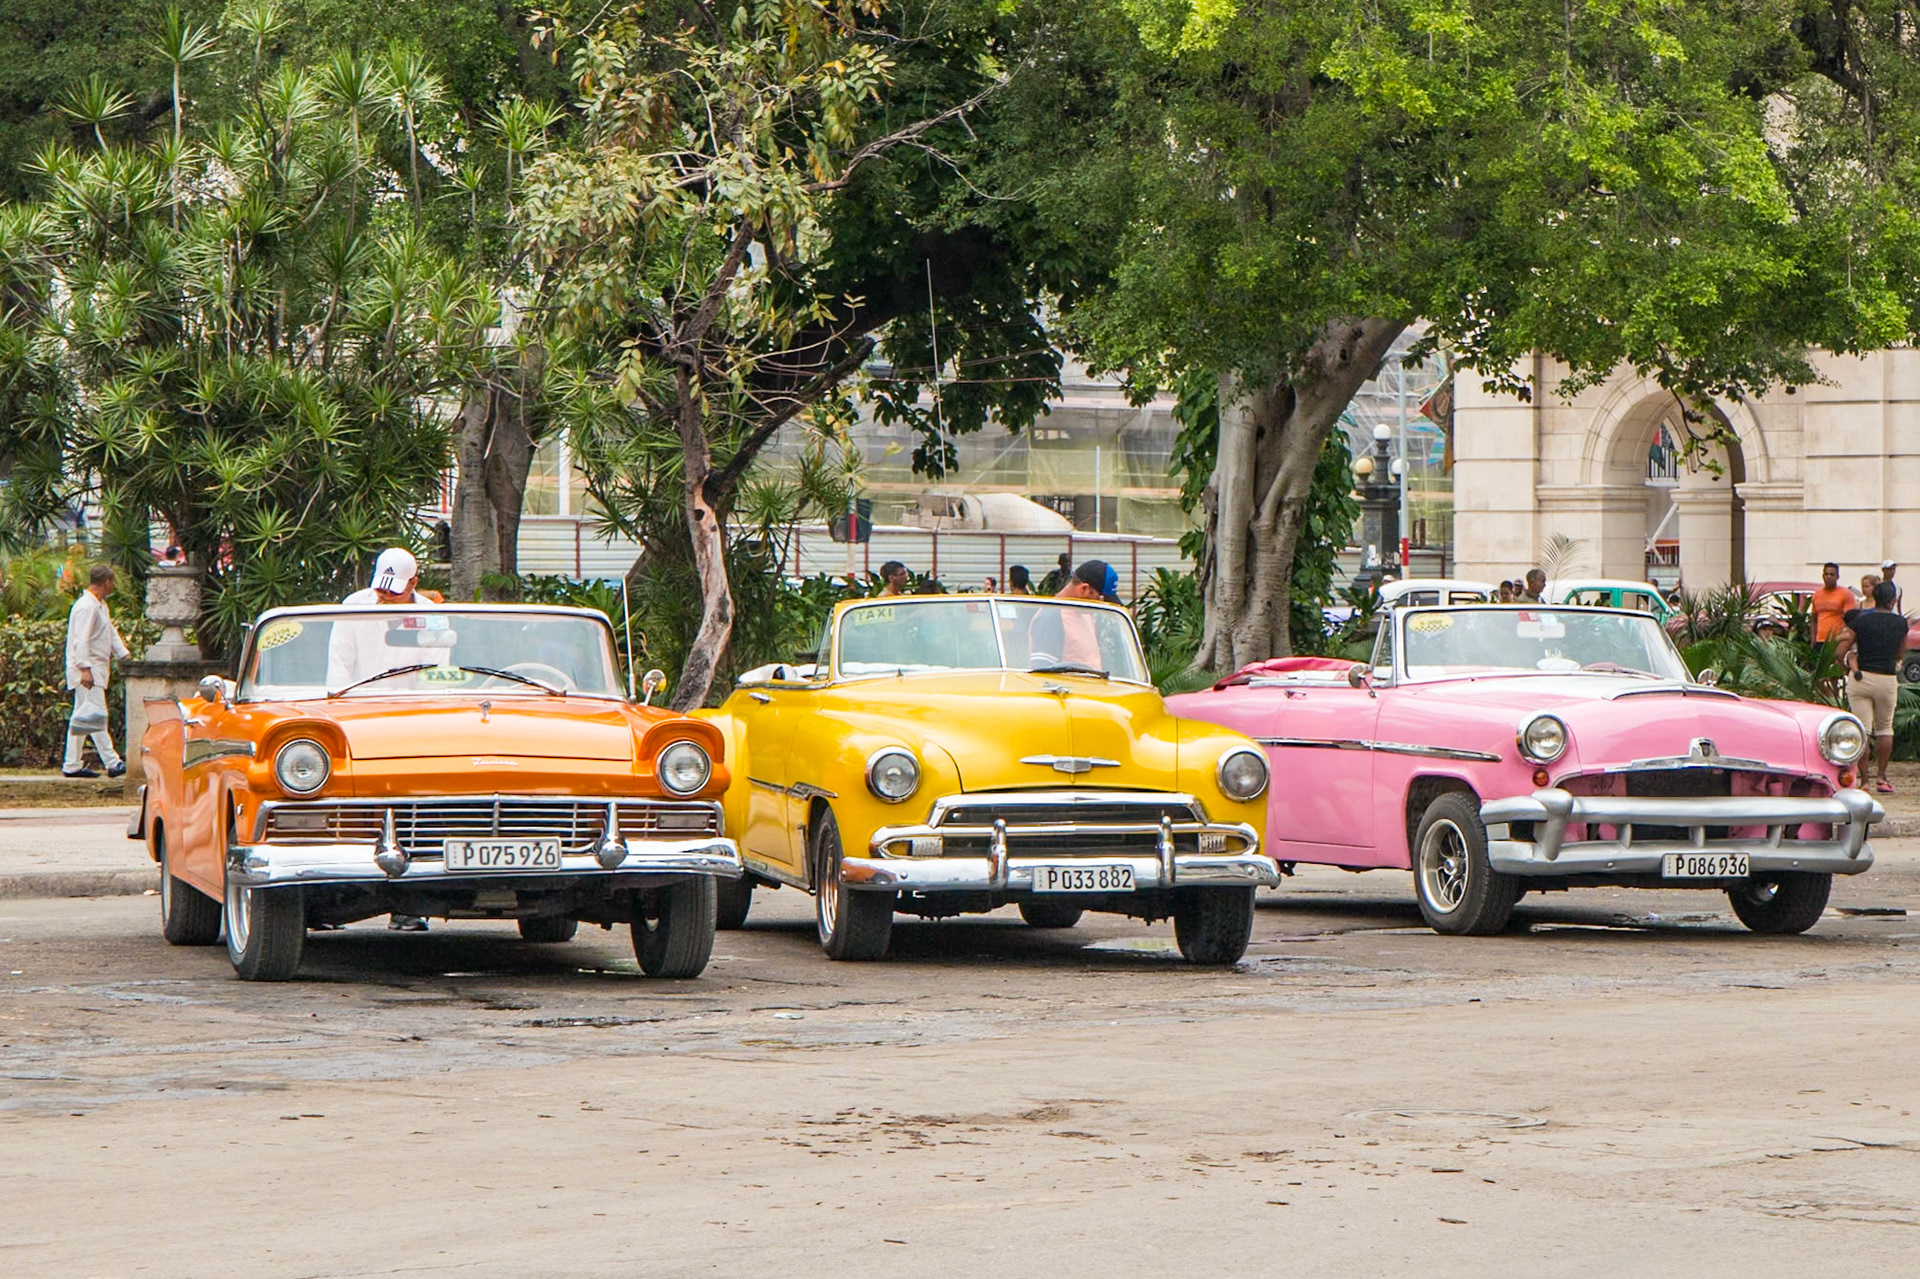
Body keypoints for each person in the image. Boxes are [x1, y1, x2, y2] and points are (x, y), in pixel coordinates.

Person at [327, 548, 436, 931]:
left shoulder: (432, 614)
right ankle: (332, 896)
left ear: (414, 583)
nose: (385, 596)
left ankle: (409, 903)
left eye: (395, 590)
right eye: (381, 588)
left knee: (415, 811)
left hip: (416, 721)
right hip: (360, 717)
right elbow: (339, 672)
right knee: (353, 807)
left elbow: (438, 671)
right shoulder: (353, 607)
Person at [1836, 580, 1908, 794]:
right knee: (1885, 728)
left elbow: (1841, 651)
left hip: (1861, 678)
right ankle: (1882, 778)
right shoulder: (1900, 624)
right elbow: (1899, 654)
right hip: (1886, 678)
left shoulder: (1860, 621)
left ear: (1874, 597)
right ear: (1893, 600)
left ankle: (1865, 781)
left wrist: (1844, 667)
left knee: (1862, 729)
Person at [63, 564, 130, 779]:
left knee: (82, 718)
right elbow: (80, 640)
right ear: (107, 582)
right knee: (96, 715)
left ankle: (72, 764)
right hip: (88, 669)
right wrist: (84, 669)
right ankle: (112, 762)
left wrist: (123, 653)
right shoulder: (86, 606)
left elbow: (109, 632)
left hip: (95, 667)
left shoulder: (99, 606)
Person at [1028, 560, 1123, 670]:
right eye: (1099, 599)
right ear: (1084, 589)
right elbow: (1042, 673)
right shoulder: (1051, 617)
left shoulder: (1084, 614)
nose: (1100, 605)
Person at [1810, 562, 1855, 647]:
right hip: (1820, 640)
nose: (1829, 577)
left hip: (1837, 639)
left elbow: (1850, 620)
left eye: (1832, 574)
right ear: (1823, 576)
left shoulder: (1846, 594)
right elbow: (1814, 619)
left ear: (1837, 577)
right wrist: (1813, 640)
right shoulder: (1817, 595)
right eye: (1826, 574)